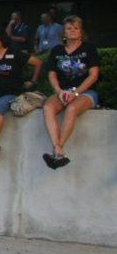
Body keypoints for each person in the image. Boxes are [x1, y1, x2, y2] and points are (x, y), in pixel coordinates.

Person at [42, 16, 100, 169]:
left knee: (72, 108)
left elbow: (93, 75)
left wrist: (76, 93)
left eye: (76, 28)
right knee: (48, 108)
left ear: (81, 32)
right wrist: (59, 91)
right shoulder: (56, 50)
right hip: (63, 91)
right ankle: (58, 149)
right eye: (69, 28)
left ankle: (57, 149)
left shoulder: (89, 48)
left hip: (86, 92)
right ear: (64, 33)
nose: (73, 31)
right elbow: (51, 74)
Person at [0, 27, 42, 161]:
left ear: (1, 41)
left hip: (11, 91)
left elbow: (38, 62)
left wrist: (33, 81)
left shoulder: (15, 53)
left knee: (0, 109)